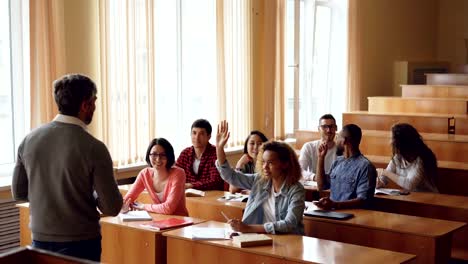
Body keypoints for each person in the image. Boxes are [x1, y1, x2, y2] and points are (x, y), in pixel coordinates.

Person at [11, 74, 123, 262]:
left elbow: (19, 193)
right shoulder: (94, 147)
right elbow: (112, 207)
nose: (95, 107)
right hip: (82, 242)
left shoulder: (28, 140)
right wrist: (90, 196)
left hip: (39, 238)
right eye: (94, 102)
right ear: (85, 105)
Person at [216, 120, 305, 235]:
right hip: (260, 238)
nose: (265, 167)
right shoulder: (259, 180)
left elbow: (289, 224)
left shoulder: (296, 189)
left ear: (285, 164)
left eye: (270, 163)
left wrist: (248, 228)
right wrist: (219, 148)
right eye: (263, 162)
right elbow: (231, 176)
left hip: (287, 241)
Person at [315, 124, 376, 210]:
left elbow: (363, 200)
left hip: (353, 216)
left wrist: (334, 205)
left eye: (338, 137)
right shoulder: (337, 162)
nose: (336, 140)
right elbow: (321, 186)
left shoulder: (366, 167)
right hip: (333, 213)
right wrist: (321, 158)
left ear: (344, 141)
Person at [122, 138, 189, 216]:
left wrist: (144, 206)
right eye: (154, 154)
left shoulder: (178, 173)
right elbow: (126, 200)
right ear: (149, 155)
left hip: (180, 221)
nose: (158, 159)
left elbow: (168, 208)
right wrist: (125, 206)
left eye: (163, 155)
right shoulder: (144, 174)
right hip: (160, 219)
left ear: (169, 156)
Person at [377, 123, 438, 193]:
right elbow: (385, 177)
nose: (390, 142)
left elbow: (409, 184)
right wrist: (380, 182)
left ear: (402, 143)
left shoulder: (420, 160)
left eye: (392, 139)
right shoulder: (398, 157)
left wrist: (385, 172)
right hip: (412, 197)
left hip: (429, 198)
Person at [176, 119, 224, 190]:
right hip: (188, 195)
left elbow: (216, 181)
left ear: (209, 136)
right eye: (194, 133)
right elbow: (176, 174)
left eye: (201, 134)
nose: (197, 137)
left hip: (211, 195)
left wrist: (191, 185)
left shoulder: (215, 153)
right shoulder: (185, 153)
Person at [298, 114, 338, 181]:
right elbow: (299, 170)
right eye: (324, 127)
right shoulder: (308, 147)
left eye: (332, 126)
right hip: (314, 187)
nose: (328, 130)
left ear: (336, 128)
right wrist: (314, 177)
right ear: (319, 129)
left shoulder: (341, 149)